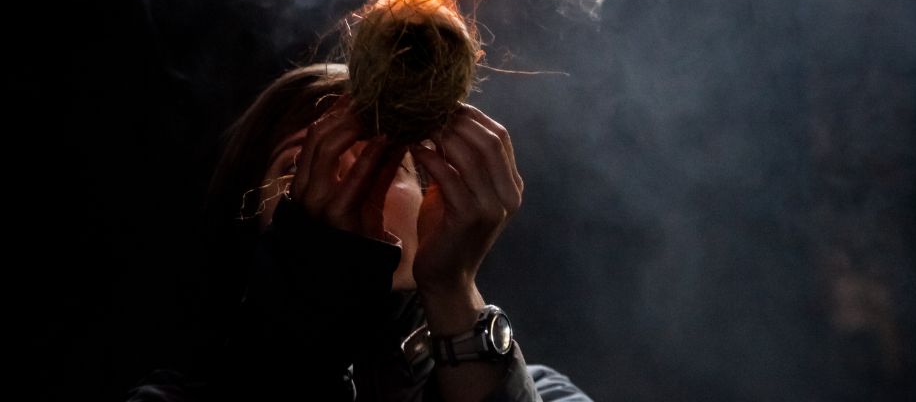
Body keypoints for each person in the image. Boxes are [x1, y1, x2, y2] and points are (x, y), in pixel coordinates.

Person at [128, 63, 590, 402]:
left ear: (433, 205)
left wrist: (452, 289)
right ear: (253, 225)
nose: (350, 182)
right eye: (298, 167)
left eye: (382, 161)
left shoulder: (543, 392)